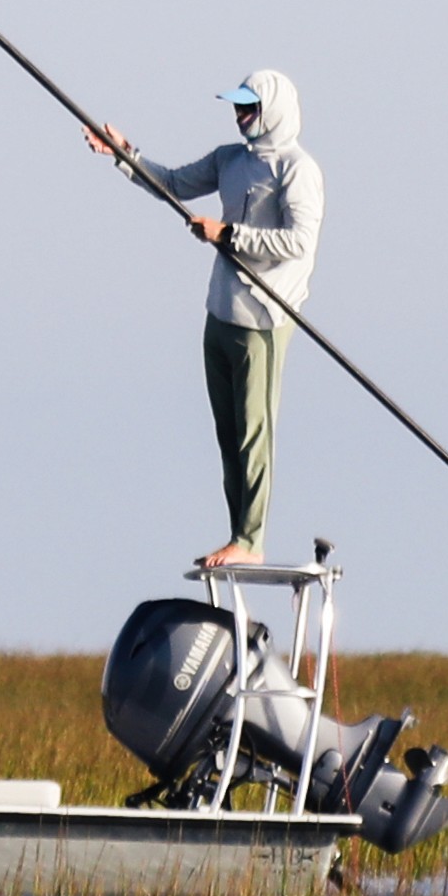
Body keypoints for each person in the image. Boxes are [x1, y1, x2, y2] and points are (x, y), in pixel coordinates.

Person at [77, 68, 319, 568]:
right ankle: (236, 535)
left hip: (265, 318)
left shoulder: (298, 171)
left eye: (248, 107)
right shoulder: (229, 159)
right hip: (220, 313)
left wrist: (229, 235)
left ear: (272, 110)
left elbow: (298, 242)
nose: (239, 116)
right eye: (236, 106)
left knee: (255, 431)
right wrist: (124, 155)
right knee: (226, 432)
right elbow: (173, 184)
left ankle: (250, 542)